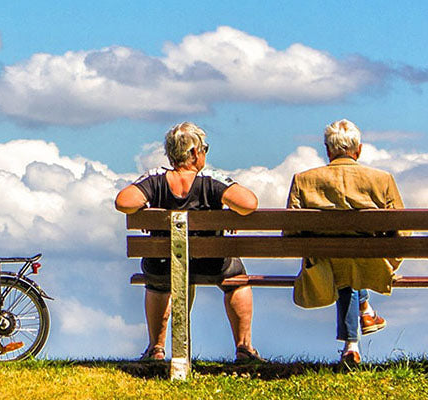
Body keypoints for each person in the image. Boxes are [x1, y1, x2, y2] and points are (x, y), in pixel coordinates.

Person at [115, 122, 264, 362]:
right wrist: (227, 211)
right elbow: (249, 203)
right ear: (194, 152)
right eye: (204, 148)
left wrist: (145, 208)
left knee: (157, 281)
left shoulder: (155, 179)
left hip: (164, 264)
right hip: (211, 263)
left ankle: (156, 347)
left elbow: (123, 201)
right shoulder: (211, 180)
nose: (205, 153)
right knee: (238, 282)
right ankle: (244, 347)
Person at [286, 119, 405, 366]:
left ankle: (352, 343)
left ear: (328, 150)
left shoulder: (303, 180)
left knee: (340, 261)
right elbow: (403, 233)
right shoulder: (382, 179)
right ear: (358, 150)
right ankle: (363, 316)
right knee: (351, 261)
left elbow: (290, 232)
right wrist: (388, 264)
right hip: (370, 263)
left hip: (323, 266)